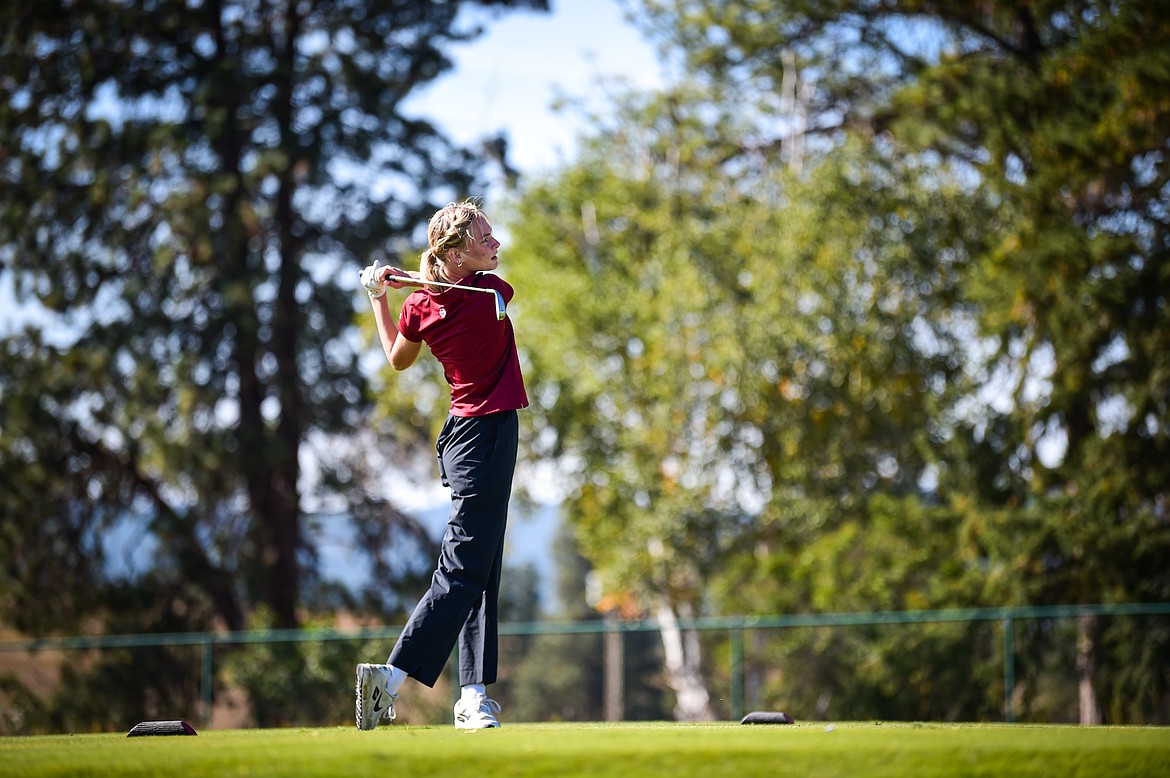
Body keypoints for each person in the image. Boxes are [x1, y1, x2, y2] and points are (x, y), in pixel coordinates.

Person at [354, 200, 528, 731]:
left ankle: (471, 695)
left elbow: (396, 359)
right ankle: (390, 677)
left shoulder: (421, 308)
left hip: (462, 437)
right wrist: (417, 286)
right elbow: (489, 291)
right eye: (485, 238)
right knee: (462, 567)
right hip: (485, 437)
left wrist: (381, 297)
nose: (496, 246)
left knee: (482, 567)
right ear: (455, 250)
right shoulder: (492, 293)